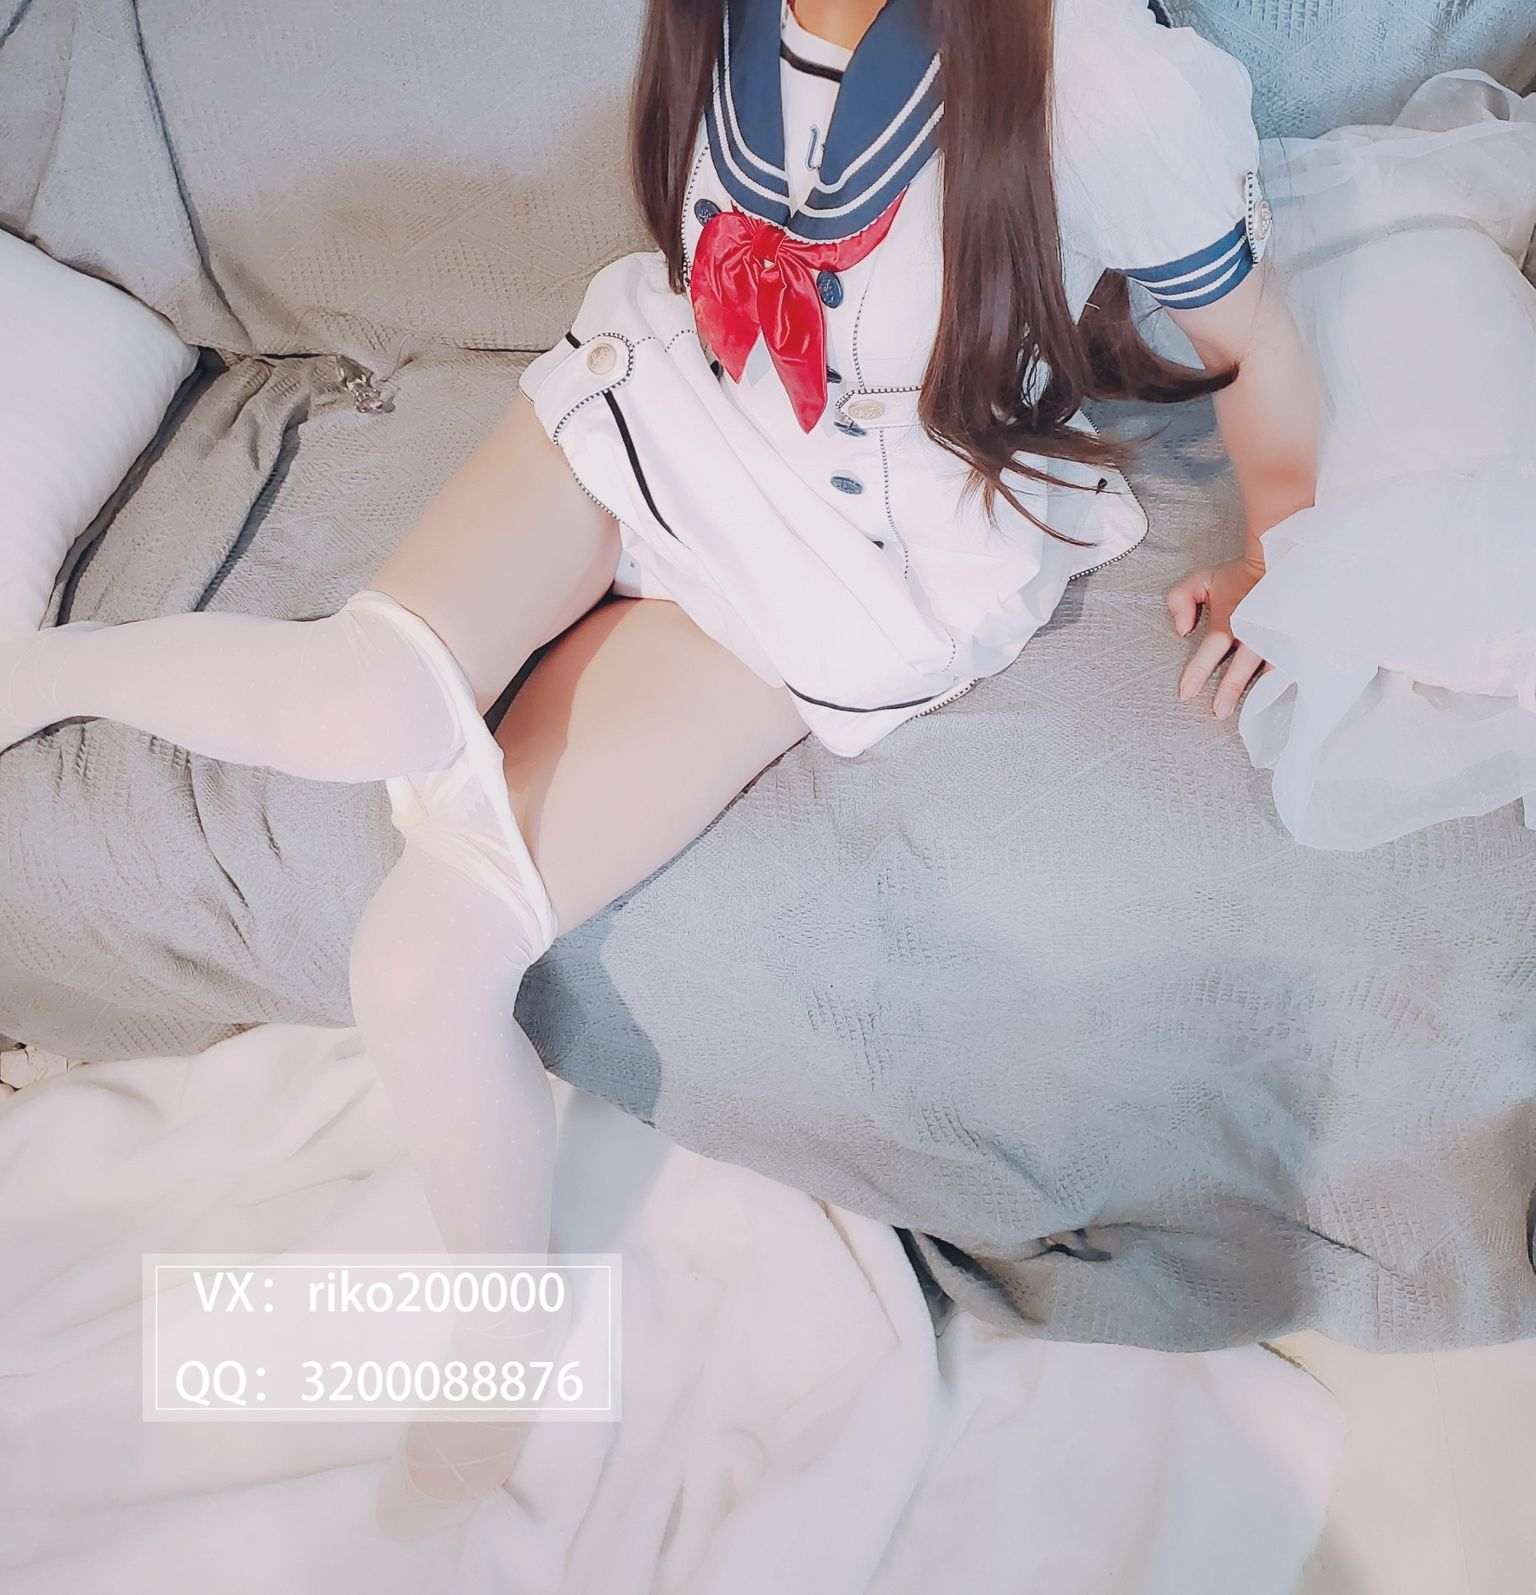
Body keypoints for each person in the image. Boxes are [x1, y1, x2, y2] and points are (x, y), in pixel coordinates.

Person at [0, 0, 1319, 1527]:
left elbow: (1254, 340)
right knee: (365, 700)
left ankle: (498, 1334)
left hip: (834, 554)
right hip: (664, 405)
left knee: (420, 966)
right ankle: (43, 670)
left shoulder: (1097, 73)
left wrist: (1284, 543)